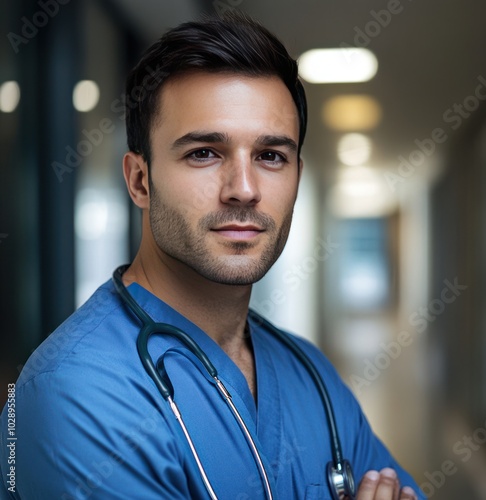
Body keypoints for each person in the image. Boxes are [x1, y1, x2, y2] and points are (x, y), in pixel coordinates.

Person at [0, 13, 425, 500]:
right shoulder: (76, 395)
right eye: (204, 153)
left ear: (297, 178)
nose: (244, 189)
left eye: (270, 156)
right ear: (140, 180)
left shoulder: (310, 375)